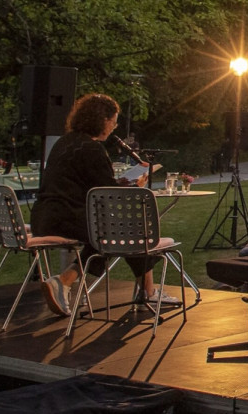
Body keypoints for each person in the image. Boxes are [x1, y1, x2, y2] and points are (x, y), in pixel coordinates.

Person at [31, 92, 180, 317]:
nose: (114, 127)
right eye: (113, 121)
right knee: (124, 232)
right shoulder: (92, 149)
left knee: (118, 231)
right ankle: (145, 292)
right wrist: (135, 186)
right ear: (102, 120)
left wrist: (120, 184)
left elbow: (90, 185)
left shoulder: (65, 142)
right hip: (66, 218)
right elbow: (108, 196)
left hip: (44, 216)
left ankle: (67, 281)